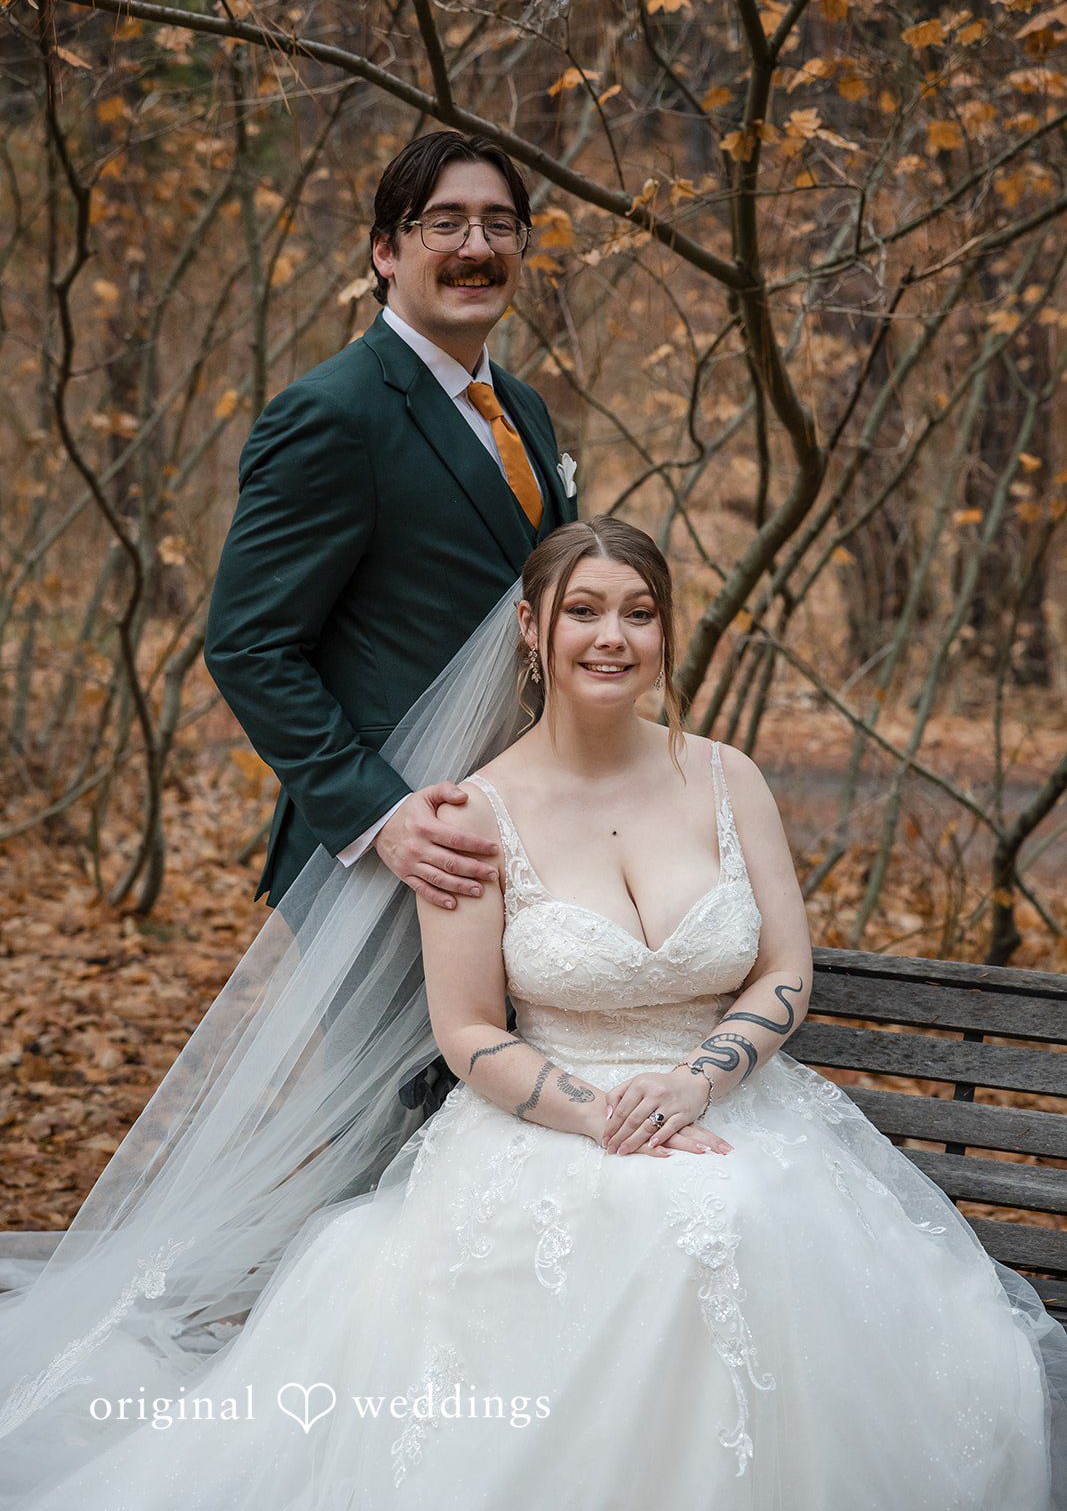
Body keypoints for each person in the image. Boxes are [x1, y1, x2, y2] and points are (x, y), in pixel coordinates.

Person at [3, 518, 1062, 1510]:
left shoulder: (728, 778)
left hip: (738, 1104)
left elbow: (782, 968)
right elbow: (466, 1029)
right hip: (546, 1126)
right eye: (583, 610)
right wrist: (599, 1116)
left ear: (665, 629)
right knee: (686, 1225)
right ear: (531, 627)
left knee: (743, 1212)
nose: (613, 636)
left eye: (638, 611)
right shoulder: (473, 812)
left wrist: (700, 1079)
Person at [203, 129, 578, 1111]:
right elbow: (249, 643)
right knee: (395, 1139)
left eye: (498, 223)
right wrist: (381, 817)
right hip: (392, 850)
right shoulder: (333, 412)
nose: (475, 245)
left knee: (499, 1127)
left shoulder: (524, 410)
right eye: (443, 221)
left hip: (516, 834)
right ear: (384, 251)